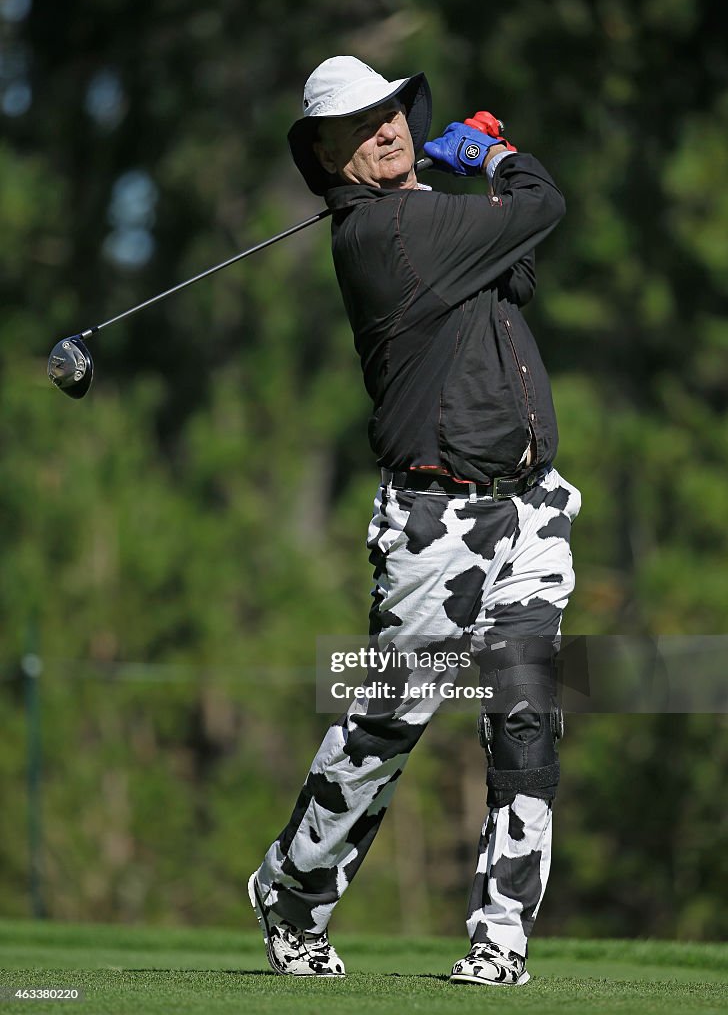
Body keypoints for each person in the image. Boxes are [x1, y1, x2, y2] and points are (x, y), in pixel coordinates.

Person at [248, 55, 581, 987]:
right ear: (324, 153)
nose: (385, 128)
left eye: (391, 111)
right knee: (387, 726)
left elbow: (508, 267)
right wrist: (498, 153)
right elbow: (541, 204)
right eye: (357, 125)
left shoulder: (425, 215)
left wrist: (464, 184)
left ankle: (500, 942)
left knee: (526, 721)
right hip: (436, 528)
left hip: (532, 511)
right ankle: (291, 889)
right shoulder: (388, 233)